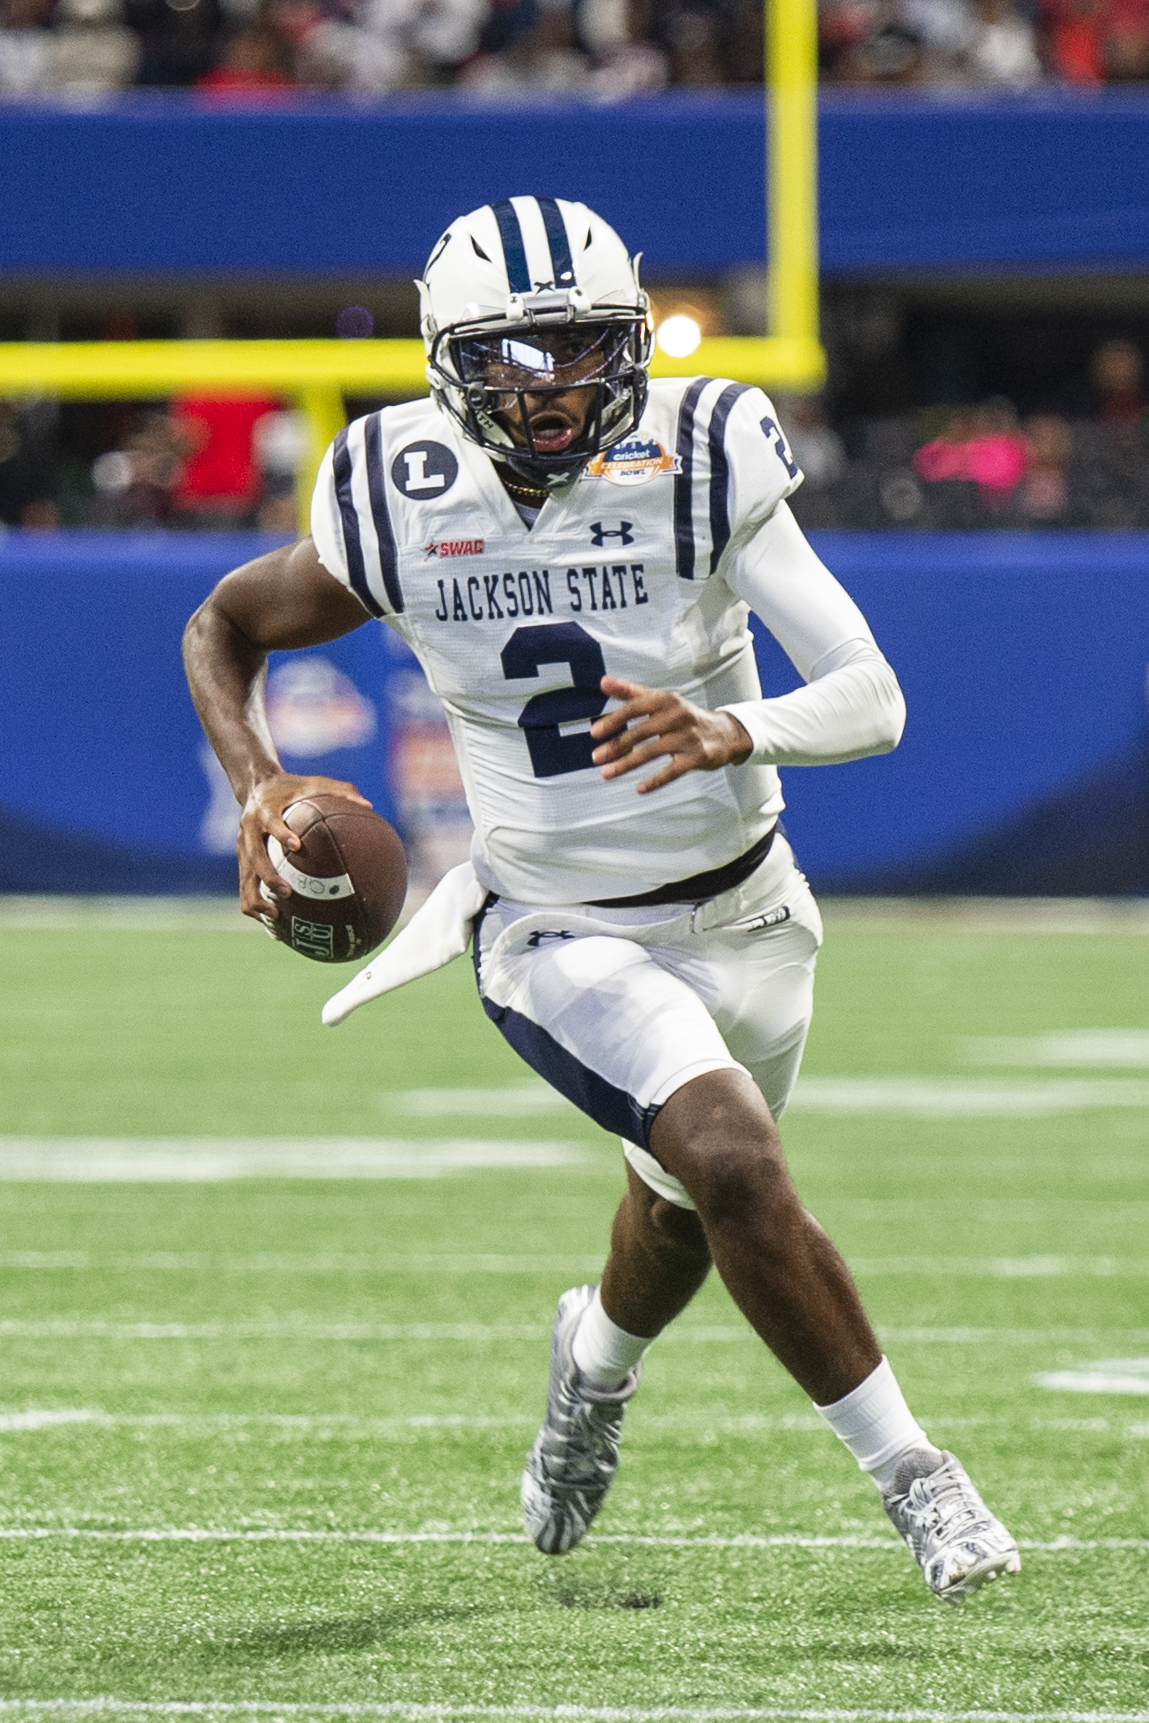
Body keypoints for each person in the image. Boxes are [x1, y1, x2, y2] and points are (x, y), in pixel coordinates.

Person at [183, 195, 1020, 1604]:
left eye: (577, 346)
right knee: (733, 1161)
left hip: (749, 911)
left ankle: (591, 1364)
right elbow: (224, 623)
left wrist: (733, 729)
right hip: (550, 926)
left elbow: (871, 696)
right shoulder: (396, 489)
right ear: (449, 359)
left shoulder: (698, 457)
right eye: (511, 356)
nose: (551, 384)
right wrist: (259, 780)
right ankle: (918, 1482)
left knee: (684, 1202)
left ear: (628, 339)